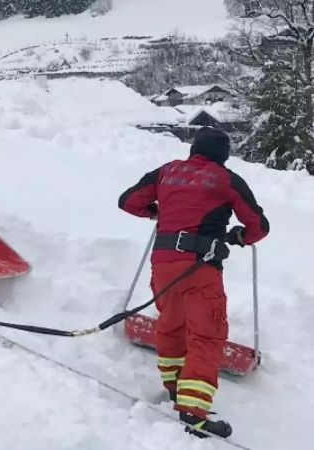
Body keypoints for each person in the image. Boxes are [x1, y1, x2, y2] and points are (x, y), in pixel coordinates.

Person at [118, 127, 269, 438]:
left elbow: (128, 201)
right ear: (224, 155)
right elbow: (258, 226)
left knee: (171, 324)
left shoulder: (166, 171)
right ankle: (193, 411)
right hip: (200, 267)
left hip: (162, 264)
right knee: (206, 334)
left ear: (194, 149)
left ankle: (176, 390)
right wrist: (240, 236)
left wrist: (156, 212)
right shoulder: (226, 179)